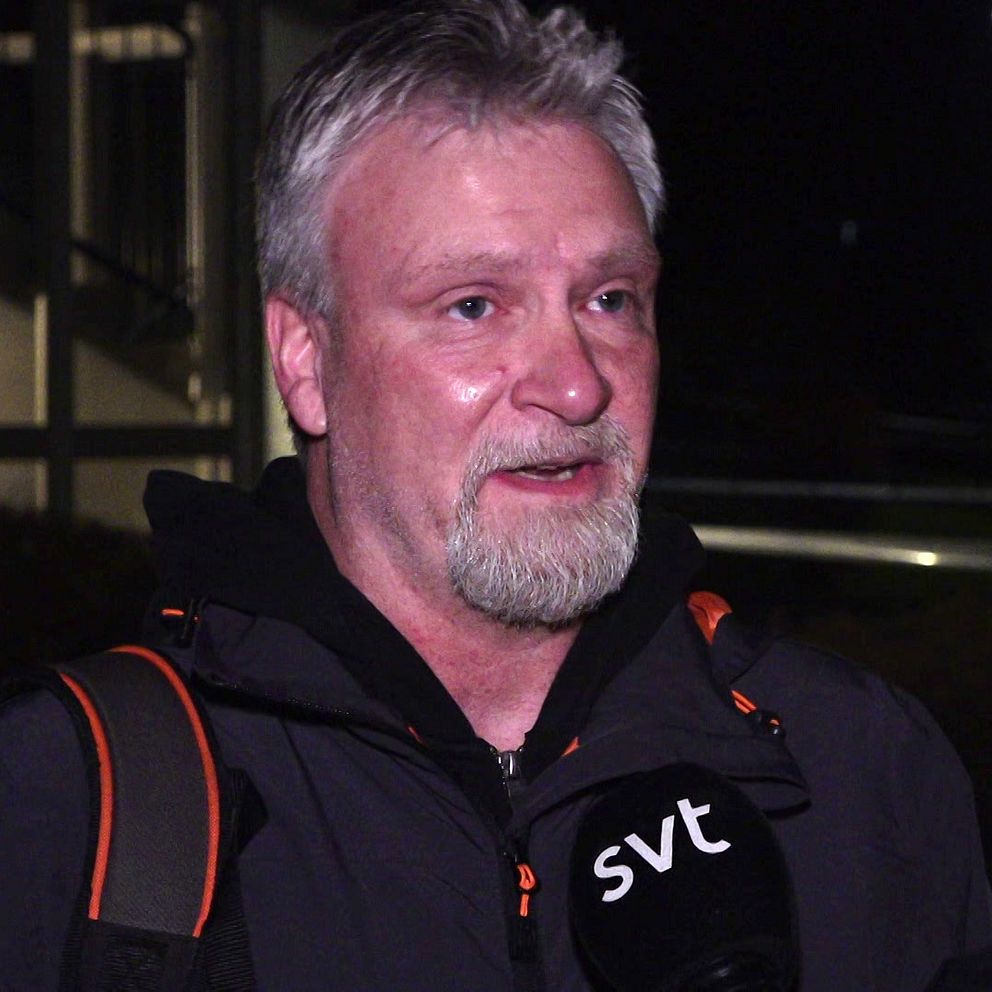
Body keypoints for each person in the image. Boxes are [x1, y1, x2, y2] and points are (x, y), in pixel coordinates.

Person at [2, 1, 989, 989]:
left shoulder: (862, 772)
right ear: (304, 360)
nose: (577, 384)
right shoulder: (61, 812)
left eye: (609, 299)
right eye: (472, 305)